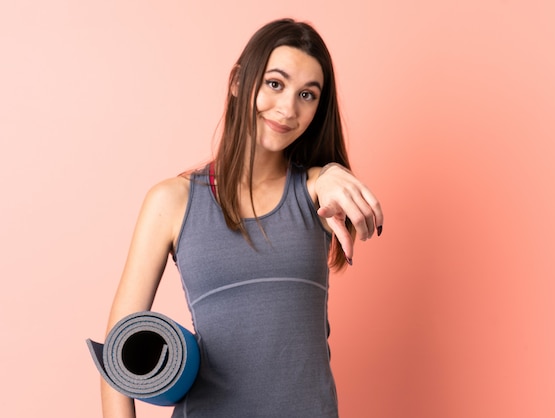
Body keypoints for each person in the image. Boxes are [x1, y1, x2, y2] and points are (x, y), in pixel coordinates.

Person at [100, 18, 383, 418]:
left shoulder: (317, 192)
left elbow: (324, 185)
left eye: (307, 94)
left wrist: (332, 173)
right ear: (238, 82)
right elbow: (119, 349)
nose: (288, 108)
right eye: (275, 84)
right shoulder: (171, 201)